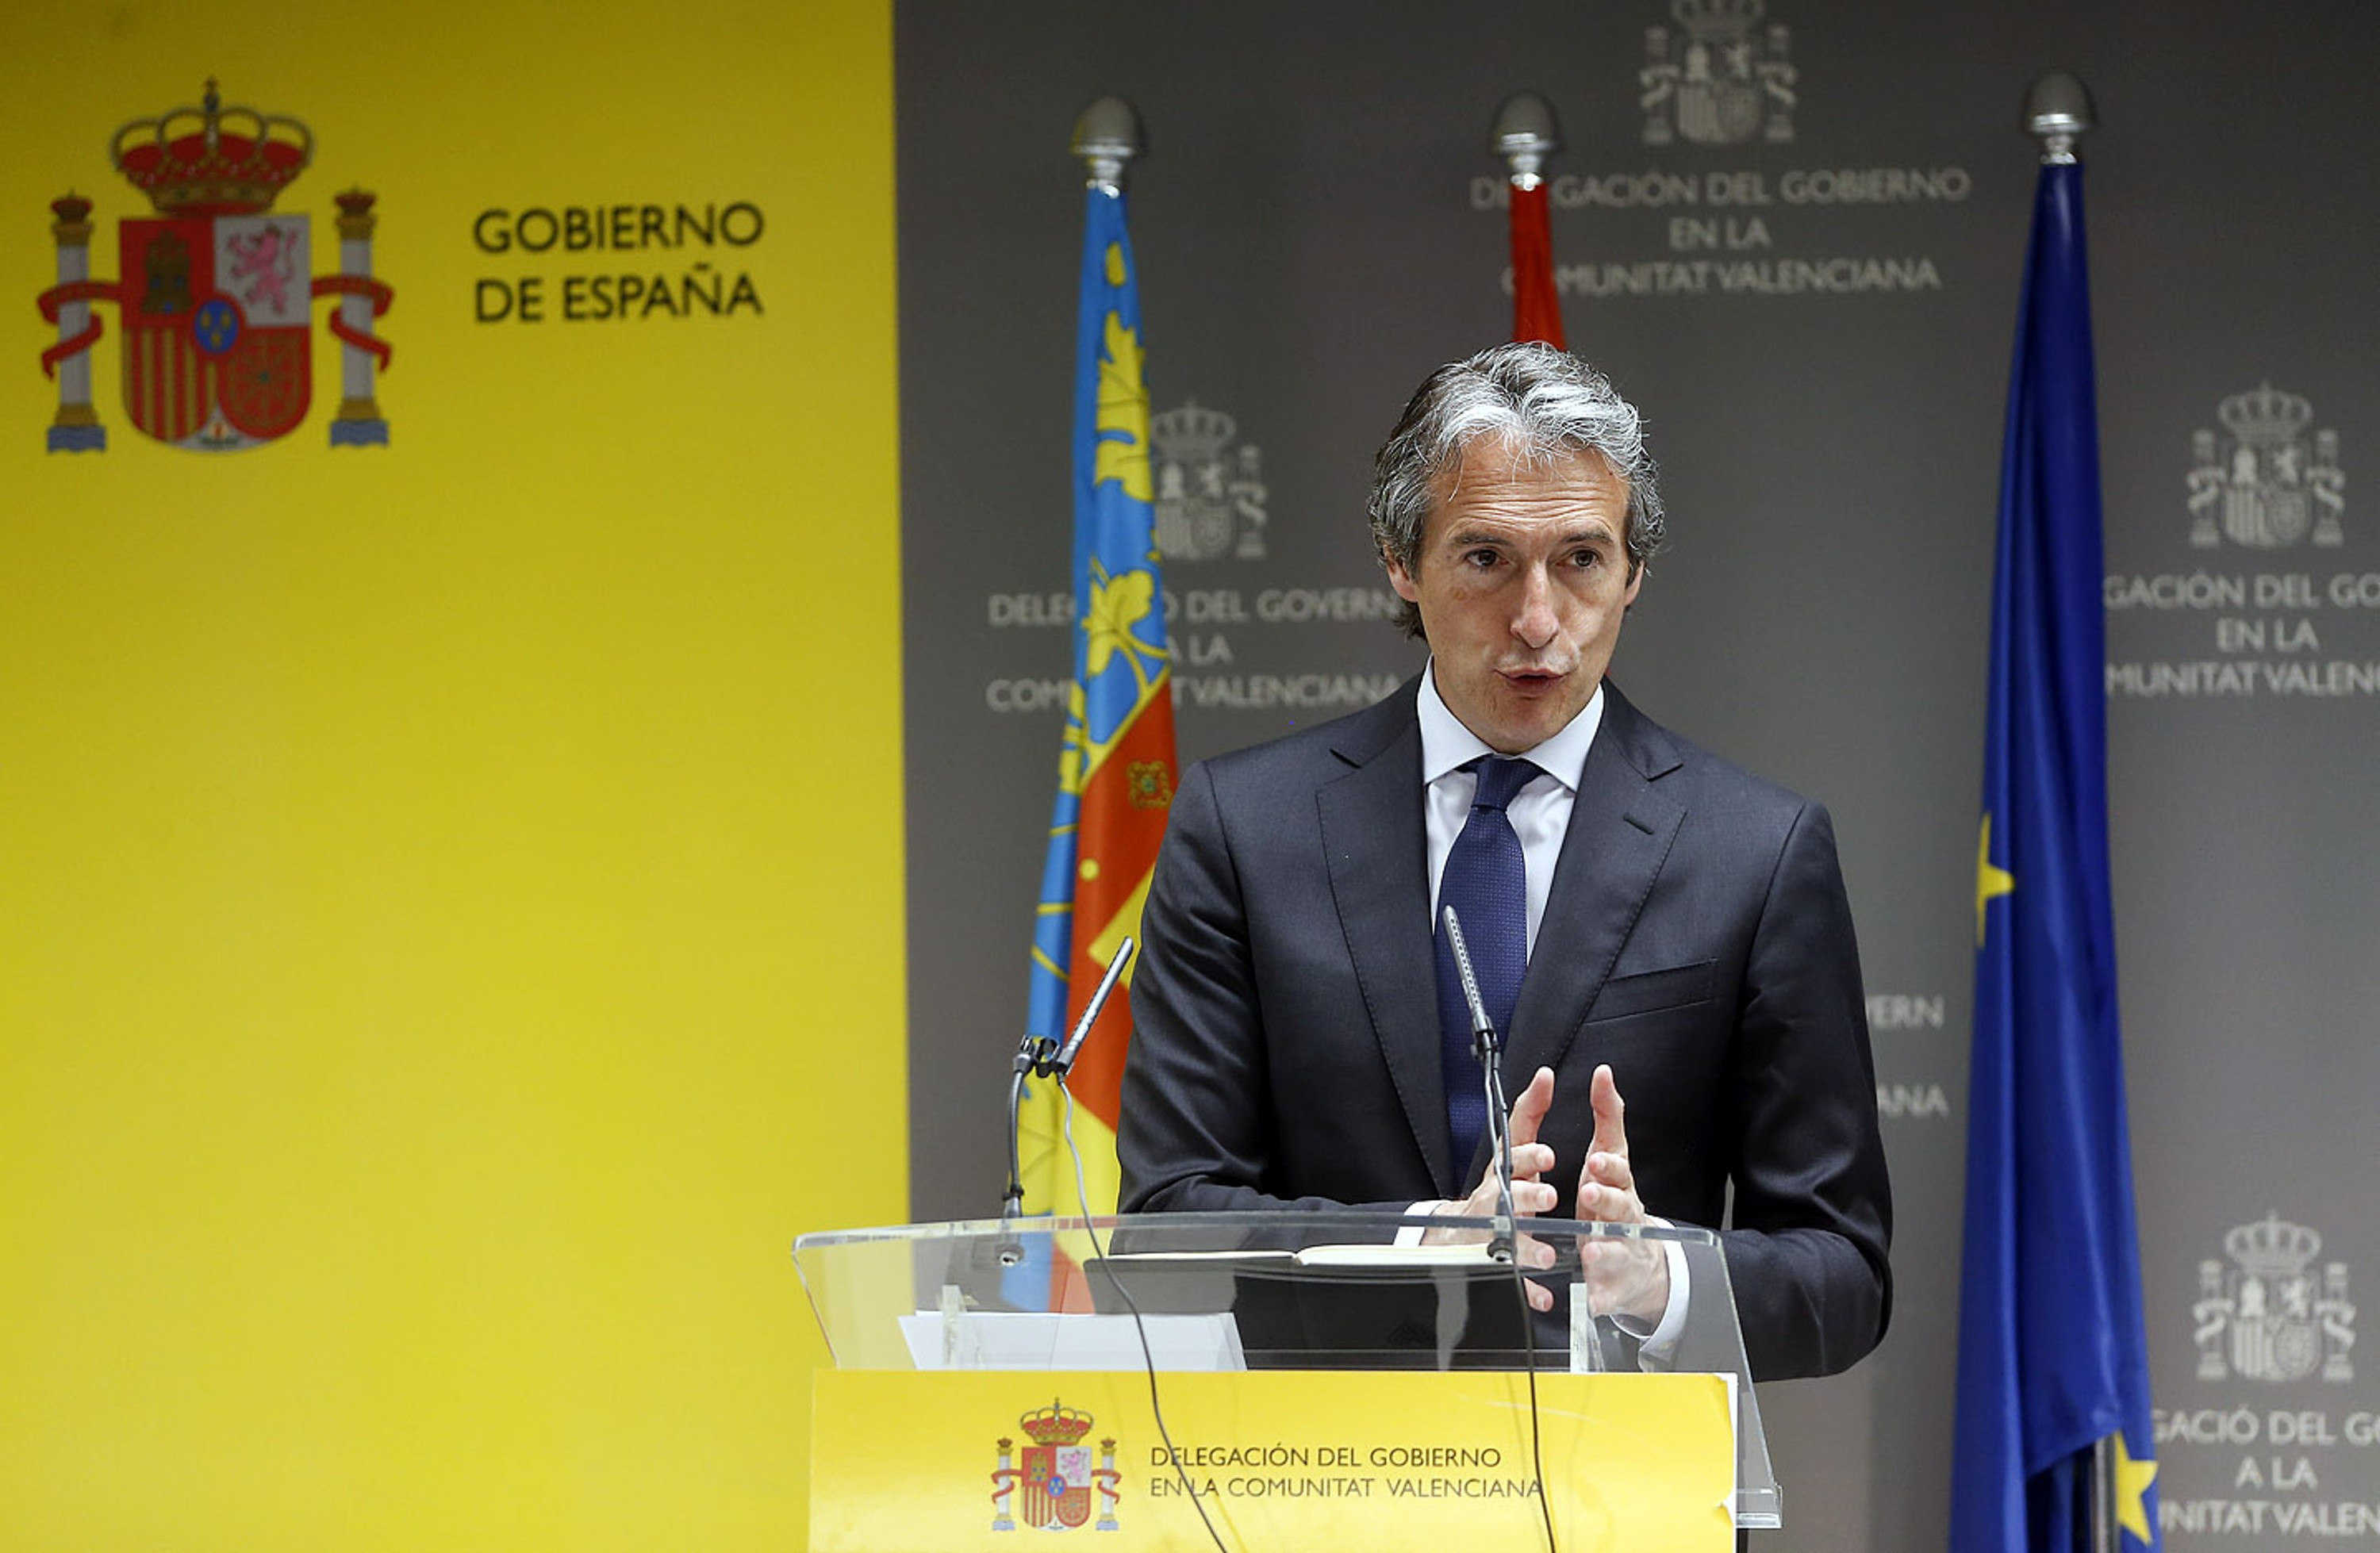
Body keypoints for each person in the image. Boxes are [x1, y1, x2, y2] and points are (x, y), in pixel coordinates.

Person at [1115, 342, 1891, 1381]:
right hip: (1317, 1493)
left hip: (1617, 1507)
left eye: (1580, 560)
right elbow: (1165, 1222)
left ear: (1634, 572)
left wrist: (1661, 1282)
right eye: (1486, 559)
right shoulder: (1245, 828)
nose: (1538, 620)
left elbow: (1844, 1273)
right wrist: (1412, 1241)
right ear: (1401, 559)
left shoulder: (1755, 848)